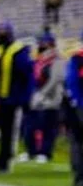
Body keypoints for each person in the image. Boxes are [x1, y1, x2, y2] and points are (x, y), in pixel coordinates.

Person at [0, 22, 34, 173]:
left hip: (13, 99)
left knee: (10, 133)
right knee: (1, 132)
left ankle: (6, 161)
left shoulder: (18, 50)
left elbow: (27, 75)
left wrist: (26, 97)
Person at [25, 33, 62, 162]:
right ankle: (31, 151)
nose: (41, 45)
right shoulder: (38, 60)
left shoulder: (56, 60)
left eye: (44, 43)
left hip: (50, 98)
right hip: (36, 96)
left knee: (47, 127)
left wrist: (42, 94)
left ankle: (45, 152)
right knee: (30, 126)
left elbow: (54, 80)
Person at [64, 40, 83, 186]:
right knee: (78, 141)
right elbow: (72, 83)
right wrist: (78, 103)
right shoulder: (77, 59)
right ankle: (79, 177)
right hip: (79, 105)